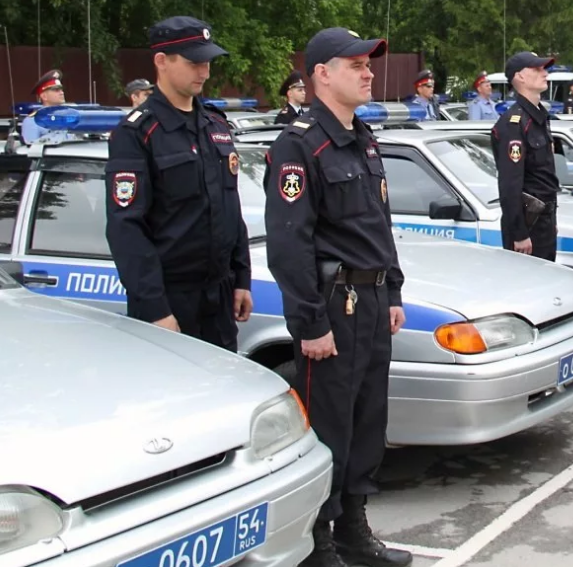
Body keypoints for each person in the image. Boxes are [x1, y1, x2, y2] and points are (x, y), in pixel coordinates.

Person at [262, 26, 411, 567]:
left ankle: (354, 528)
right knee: (329, 425)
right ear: (321, 73)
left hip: (371, 302)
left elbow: (379, 224)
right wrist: (309, 322)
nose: (369, 72)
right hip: (333, 306)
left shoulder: (364, 138)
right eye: (356, 64)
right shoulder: (300, 145)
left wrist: (392, 288)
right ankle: (318, 540)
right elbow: (289, 242)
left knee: (368, 420)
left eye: (369, 64)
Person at [105, 16, 252, 351]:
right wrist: (156, 309)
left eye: (208, 63)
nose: (205, 72)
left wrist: (241, 277)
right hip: (169, 300)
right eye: (194, 63)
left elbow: (230, 207)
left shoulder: (215, 124)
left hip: (219, 297)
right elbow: (125, 228)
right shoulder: (137, 132)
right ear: (162, 62)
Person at [491, 51, 560, 261]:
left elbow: (544, 176)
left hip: (544, 219)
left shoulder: (539, 118)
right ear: (520, 76)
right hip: (528, 223)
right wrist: (519, 233)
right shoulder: (514, 123)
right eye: (537, 69)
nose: (545, 74)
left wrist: (552, 218)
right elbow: (510, 184)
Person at [21, 70, 75, 144]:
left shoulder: (70, 116)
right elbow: (30, 151)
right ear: (44, 96)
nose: (61, 92)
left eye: (61, 89)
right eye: (56, 90)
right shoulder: (32, 121)